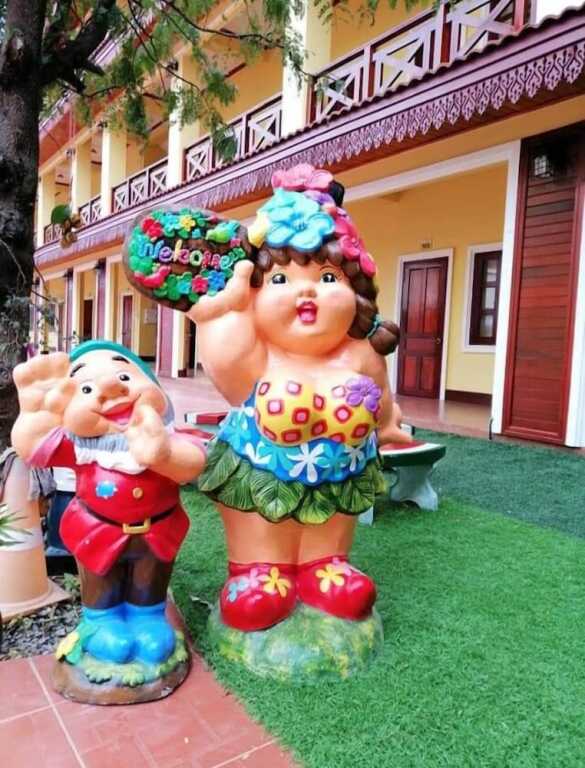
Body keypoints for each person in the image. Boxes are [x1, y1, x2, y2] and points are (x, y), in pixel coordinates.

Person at [190, 163, 409, 633]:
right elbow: (225, 362)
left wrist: (387, 421)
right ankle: (257, 569)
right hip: (259, 467)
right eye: (281, 280)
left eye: (328, 278)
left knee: (332, 523)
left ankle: (325, 566)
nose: (307, 289)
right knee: (261, 524)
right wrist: (219, 311)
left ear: (356, 294)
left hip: (340, 471)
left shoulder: (357, 352)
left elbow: (380, 390)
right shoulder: (258, 350)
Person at [11, 340, 206, 665]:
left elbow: (193, 464)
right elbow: (32, 447)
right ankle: (101, 622)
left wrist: (162, 454)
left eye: (125, 378)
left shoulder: (171, 437)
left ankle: (148, 618)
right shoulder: (81, 448)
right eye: (86, 389)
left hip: (158, 533)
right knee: (101, 583)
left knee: (151, 580)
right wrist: (35, 415)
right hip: (98, 533)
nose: (112, 390)